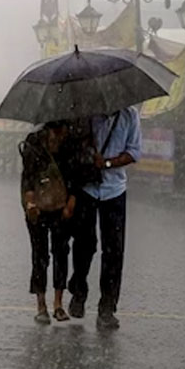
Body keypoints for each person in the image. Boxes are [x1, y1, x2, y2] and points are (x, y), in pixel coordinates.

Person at [69, 105, 142, 330]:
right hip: (88, 187)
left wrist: (108, 163)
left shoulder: (130, 116)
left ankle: (107, 307)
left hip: (115, 190)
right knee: (84, 244)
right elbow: (75, 144)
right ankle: (78, 290)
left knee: (114, 250)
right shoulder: (87, 114)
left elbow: (134, 152)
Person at [19, 121, 76, 324]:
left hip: (61, 207)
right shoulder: (33, 143)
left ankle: (58, 304)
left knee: (61, 251)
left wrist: (71, 201)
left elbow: (74, 175)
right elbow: (28, 177)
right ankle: (41, 304)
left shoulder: (71, 142)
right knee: (40, 252)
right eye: (56, 132)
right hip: (38, 206)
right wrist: (30, 203)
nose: (59, 135)